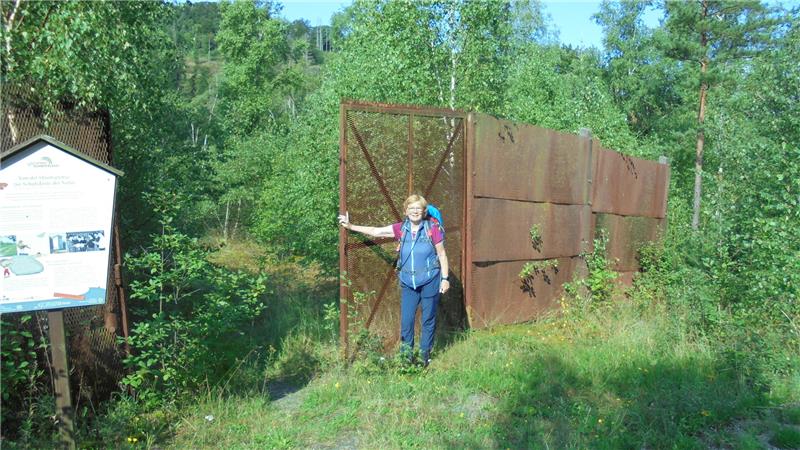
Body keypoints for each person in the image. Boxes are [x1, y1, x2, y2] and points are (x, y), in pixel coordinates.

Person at [338, 194, 450, 367]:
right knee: (406, 321)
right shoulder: (401, 228)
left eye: (418, 208)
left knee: (428, 318)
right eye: (411, 208)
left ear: (424, 211)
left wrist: (445, 279)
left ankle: (424, 357)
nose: (415, 211)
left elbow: (442, 254)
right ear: (405, 211)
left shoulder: (431, 229)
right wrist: (351, 226)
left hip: (430, 279)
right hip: (408, 281)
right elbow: (377, 231)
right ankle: (406, 358)